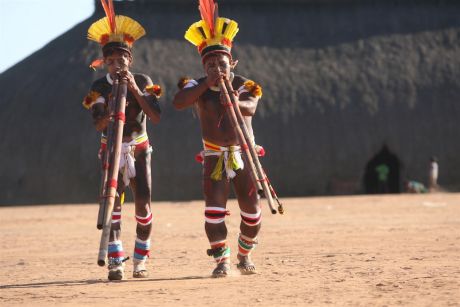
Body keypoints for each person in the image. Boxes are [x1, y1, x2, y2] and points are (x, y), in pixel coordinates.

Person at [173, 0, 264, 277]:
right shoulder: (195, 85)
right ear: (203, 65)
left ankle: (244, 254)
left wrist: (232, 99)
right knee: (214, 211)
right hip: (214, 155)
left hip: (243, 153)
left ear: (232, 62)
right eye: (210, 64)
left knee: (252, 212)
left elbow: (251, 107)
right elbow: (179, 102)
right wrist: (206, 83)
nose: (216, 68)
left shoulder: (244, 84)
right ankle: (221, 260)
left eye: (221, 63)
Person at [82, 0, 161, 280]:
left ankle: (140, 259)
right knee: (112, 204)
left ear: (130, 60)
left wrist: (135, 90)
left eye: (122, 60)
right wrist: (113, 102)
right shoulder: (99, 86)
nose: (117, 65)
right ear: (104, 62)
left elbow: (155, 115)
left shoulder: (142, 79)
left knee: (143, 205)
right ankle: (116, 262)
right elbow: (98, 123)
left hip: (139, 149)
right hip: (111, 149)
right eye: (111, 61)